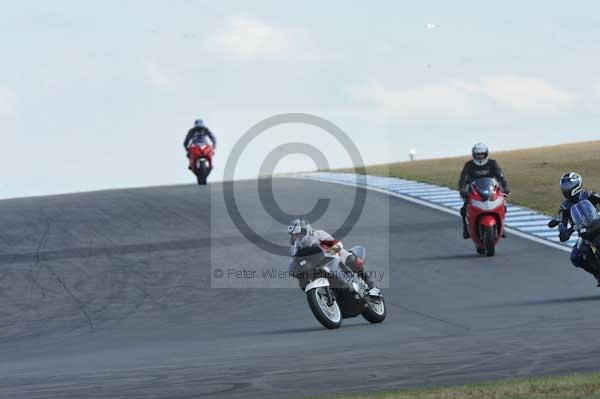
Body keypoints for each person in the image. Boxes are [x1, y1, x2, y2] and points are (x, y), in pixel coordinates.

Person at [287, 219, 380, 297]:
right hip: (315, 266)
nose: (295, 238)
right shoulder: (296, 248)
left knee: (350, 259)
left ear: (305, 231)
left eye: (297, 234)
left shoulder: (317, 234)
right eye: (293, 235)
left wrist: (328, 252)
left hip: (330, 255)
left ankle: (370, 285)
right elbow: (294, 261)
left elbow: (336, 245)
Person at [554, 172, 600, 285]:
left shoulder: (589, 195)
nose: (566, 190)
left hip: (597, 223)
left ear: (577, 185)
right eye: (564, 188)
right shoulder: (564, 207)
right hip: (583, 233)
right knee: (575, 257)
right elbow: (562, 222)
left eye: (568, 187)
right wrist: (563, 231)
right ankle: (597, 274)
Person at [458, 143, 510, 239]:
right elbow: (462, 179)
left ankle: (502, 226)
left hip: (491, 189)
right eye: (477, 155)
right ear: (474, 154)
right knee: (464, 209)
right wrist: (462, 189)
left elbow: (501, 176)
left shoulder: (492, 163)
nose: (480, 157)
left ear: (486, 154)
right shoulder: (469, 165)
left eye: (481, 154)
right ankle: (465, 229)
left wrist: (505, 187)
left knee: (503, 205)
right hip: (474, 191)